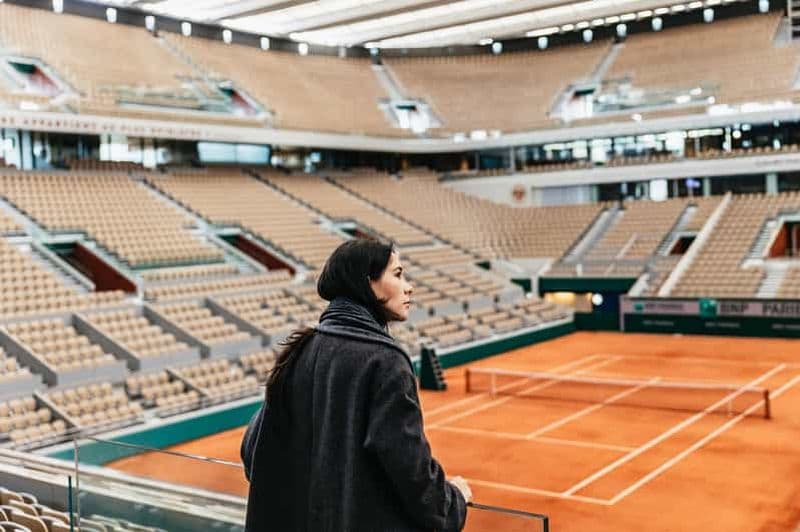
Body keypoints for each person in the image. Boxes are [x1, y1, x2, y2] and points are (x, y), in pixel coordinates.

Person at [241, 239, 471, 531]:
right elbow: (411, 471)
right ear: (368, 282)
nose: (409, 287)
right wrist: (453, 499)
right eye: (398, 274)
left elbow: (253, 450)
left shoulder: (299, 350)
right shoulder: (386, 360)